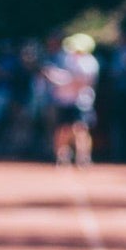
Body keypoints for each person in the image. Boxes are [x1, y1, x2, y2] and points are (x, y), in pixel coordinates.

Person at [44, 30, 100, 166]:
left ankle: (83, 157)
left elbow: (82, 82)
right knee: (62, 129)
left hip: (81, 102)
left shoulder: (89, 62)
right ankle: (62, 156)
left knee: (81, 128)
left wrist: (62, 79)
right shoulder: (66, 59)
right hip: (63, 100)